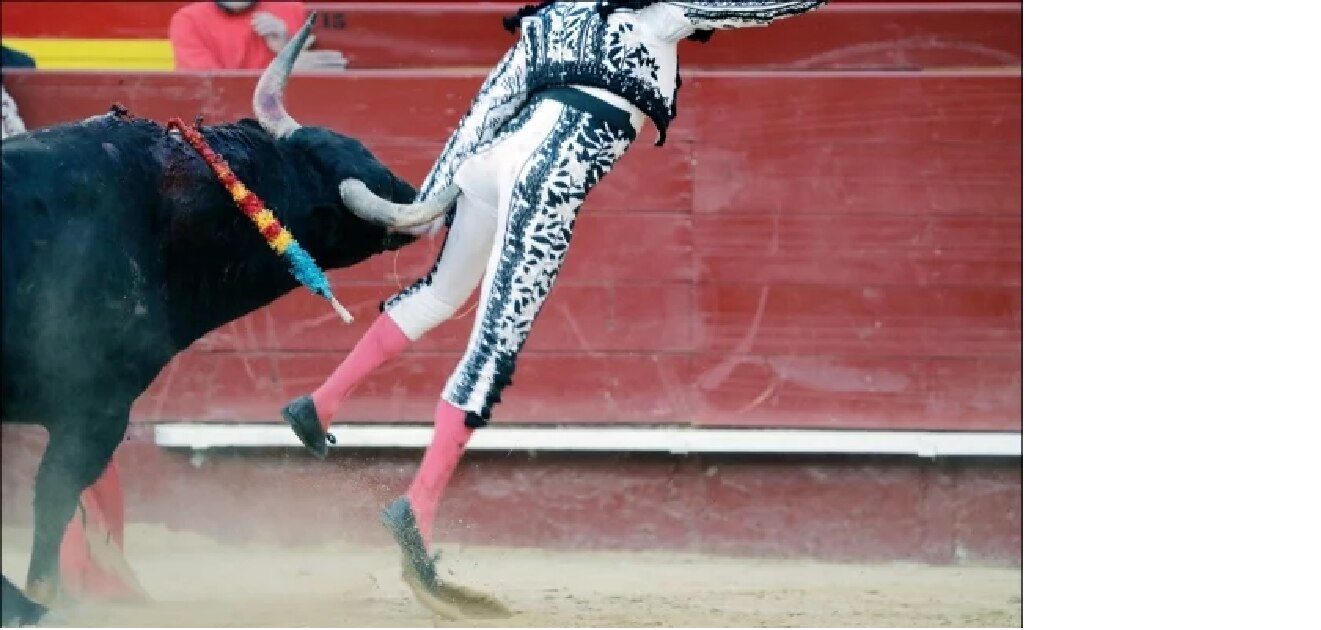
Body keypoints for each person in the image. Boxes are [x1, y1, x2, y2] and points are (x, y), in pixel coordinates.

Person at [279, 0, 827, 612]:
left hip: (491, 166)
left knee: (440, 293)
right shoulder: (658, 14)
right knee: (494, 342)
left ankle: (321, 402)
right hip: (547, 176)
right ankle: (419, 508)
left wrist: (428, 202)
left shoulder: (549, 19)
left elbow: (484, 111)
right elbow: (751, 8)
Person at [169, 1, 346, 71]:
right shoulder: (188, 20)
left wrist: (286, 47)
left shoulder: (291, 9)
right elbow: (213, 93)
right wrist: (285, 69)